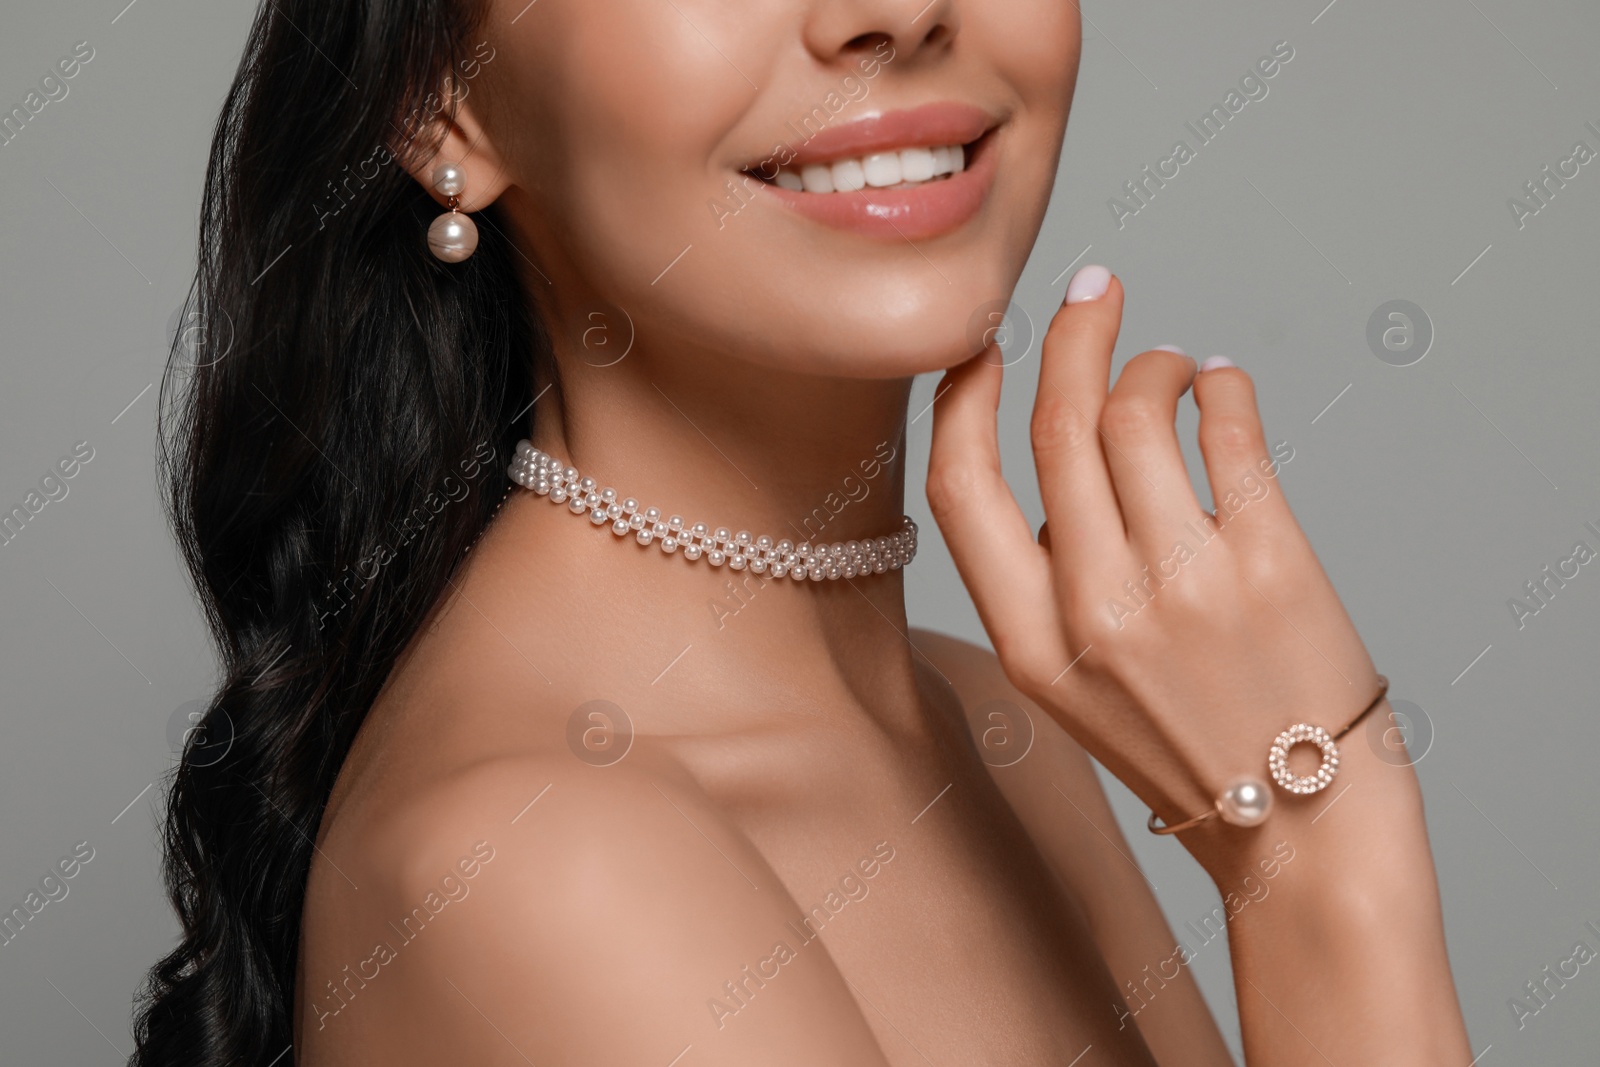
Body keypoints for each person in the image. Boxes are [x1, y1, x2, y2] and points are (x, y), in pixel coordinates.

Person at [133, 0, 1473, 1063]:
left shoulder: (995, 721)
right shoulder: (541, 867)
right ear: (443, 102)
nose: (895, 10)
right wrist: (1323, 848)